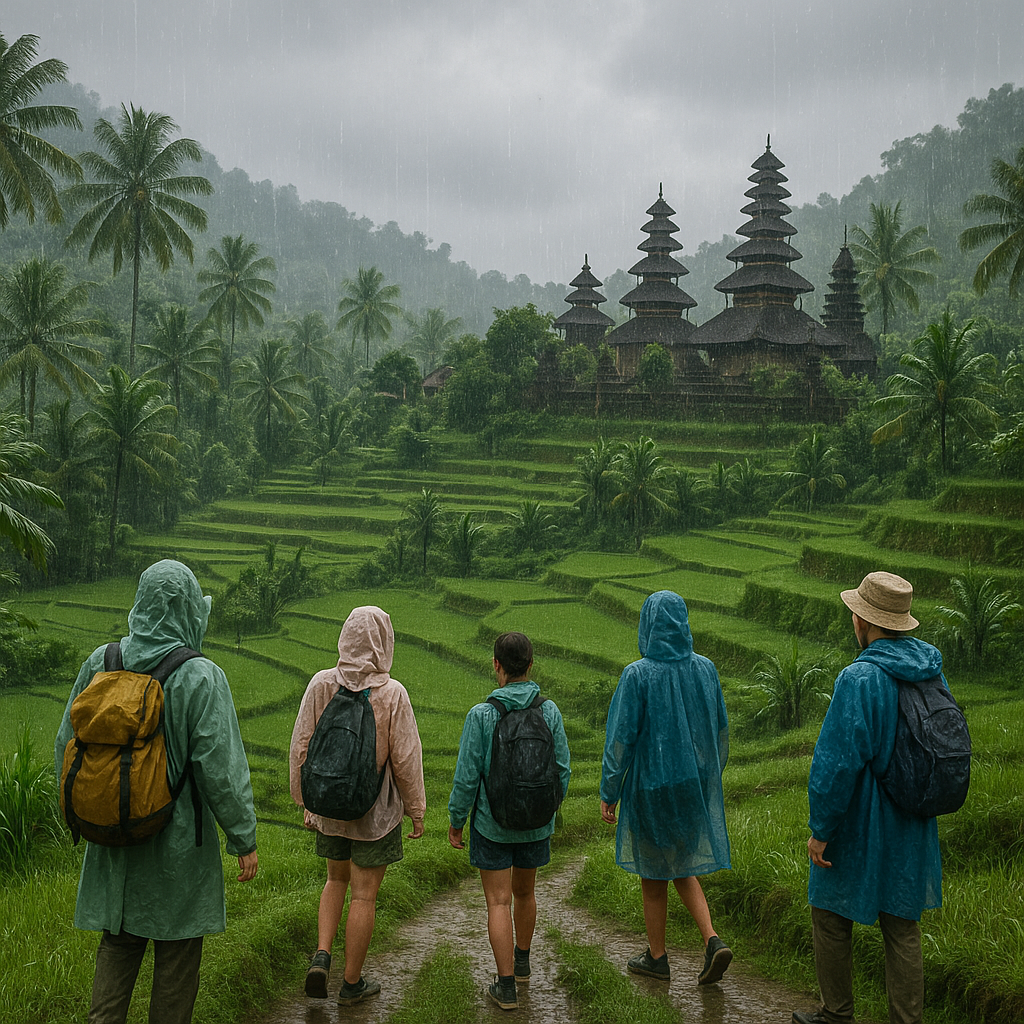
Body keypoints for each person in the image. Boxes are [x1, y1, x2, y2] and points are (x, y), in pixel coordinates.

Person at [54, 560, 258, 1024]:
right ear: (187, 609)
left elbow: (65, 747)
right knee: (177, 959)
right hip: (178, 852)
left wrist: (90, 810)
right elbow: (221, 771)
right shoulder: (200, 676)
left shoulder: (101, 662)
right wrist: (243, 838)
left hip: (114, 842)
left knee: (118, 945)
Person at [793, 572, 944, 1024]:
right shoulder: (931, 671)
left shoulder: (859, 678)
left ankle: (836, 1013)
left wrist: (821, 829)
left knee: (828, 910)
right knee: (902, 924)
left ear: (863, 621)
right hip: (913, 816)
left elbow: (837, 763)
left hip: (862, 817)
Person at [289, 605, 425, 1006]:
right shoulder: (391, 693)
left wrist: (306, 802)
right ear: (384, 642)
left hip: (329, 808)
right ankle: (351, 983)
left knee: (335, 881)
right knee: (364, 896)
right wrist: (416, 809)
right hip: (375, 813)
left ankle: (322, 954)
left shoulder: (320, 684)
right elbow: (405, 758)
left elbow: (301, 745)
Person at [600, 589, 733, 986]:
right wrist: (705, 776)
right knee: (682, 865)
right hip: (692, 783)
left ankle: (657, 957)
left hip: (650, 789)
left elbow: (620, 740)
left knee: (654, 875)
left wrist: (610, 792)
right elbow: (720, 730)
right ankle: (711, 939)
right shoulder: (705, 669)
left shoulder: (638, 674)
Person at [448, 631, 571, 1011]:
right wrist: (545, 807)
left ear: (496, 665)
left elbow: (467, 776)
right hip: (536, 824)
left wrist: (457, 820)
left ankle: (505, 986)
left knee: (498, 902)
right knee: (525, 893)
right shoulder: (549, 711)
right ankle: (523, 960)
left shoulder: (482, 715)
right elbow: (562, 770)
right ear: (531, 666)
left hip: (492, 825)